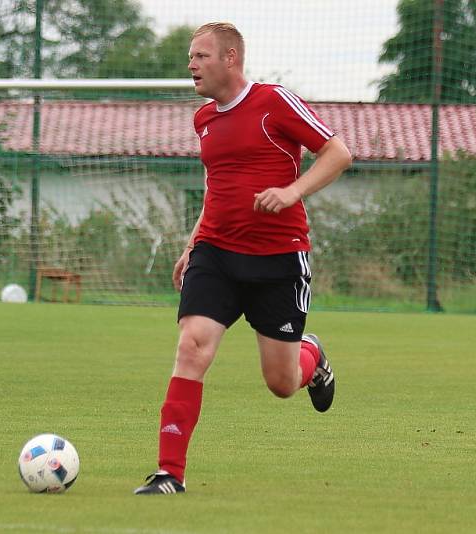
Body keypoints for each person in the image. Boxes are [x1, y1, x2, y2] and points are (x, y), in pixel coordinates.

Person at [134, 22, 352, 495]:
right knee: (192, 346)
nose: (191, 64)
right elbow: (217, 188)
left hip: (278, 260)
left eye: (201, 56)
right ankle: (170, 473)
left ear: (230, 58)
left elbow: (338, 152)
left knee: (281, 382)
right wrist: (192, 245)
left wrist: (292, 191)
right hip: (216, 253)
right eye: (190, 56)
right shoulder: (203, 119)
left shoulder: (274, 102)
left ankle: (312, 358)